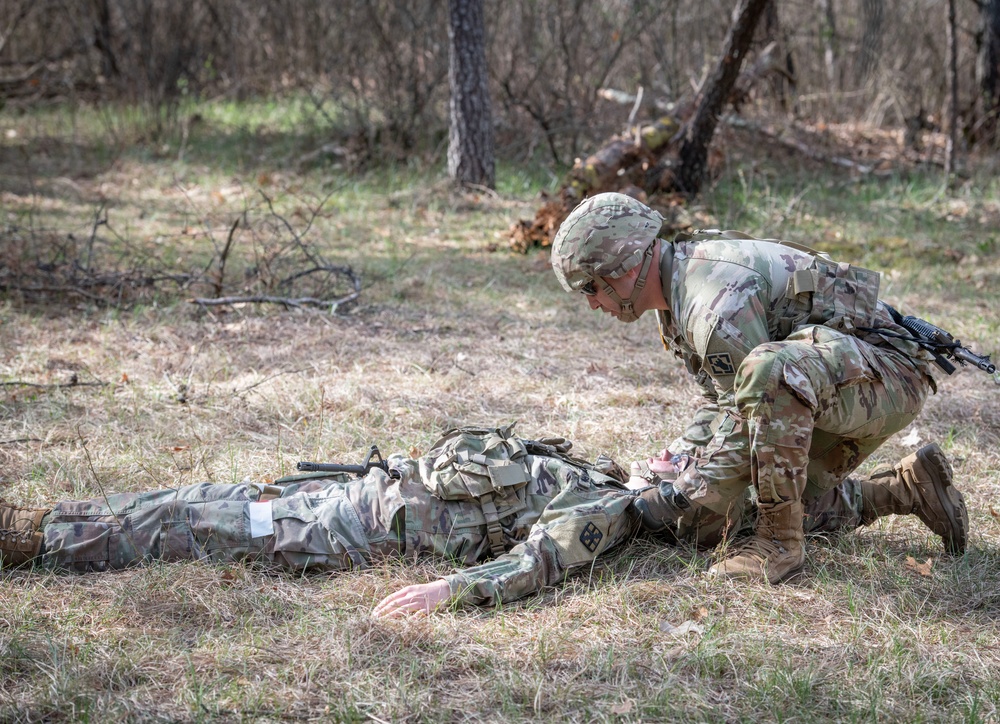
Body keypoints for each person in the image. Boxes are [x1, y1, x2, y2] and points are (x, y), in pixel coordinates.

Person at [0, 423, 965, 615]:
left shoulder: (614, 505)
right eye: (684, 456)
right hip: (361, 495)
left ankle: (39, 536)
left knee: (193, 522)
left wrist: (447, 592)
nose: (673, 460)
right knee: (200, 503)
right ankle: (894, 494)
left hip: (352, 531)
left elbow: (543, 563)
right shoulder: (603, 469)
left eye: (685, 473)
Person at [550, 192, 969, 584]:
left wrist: (680, 493)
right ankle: (907, 490)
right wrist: (682, 458)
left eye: (590, 286)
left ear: (624, 267)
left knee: (765, 385)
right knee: (716, 516)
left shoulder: (711, 305)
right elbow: (724, 400)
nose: (591, 302)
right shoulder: (677, 288)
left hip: (888, 375)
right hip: (837, 378)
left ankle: (778, 544)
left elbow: (756, 405)